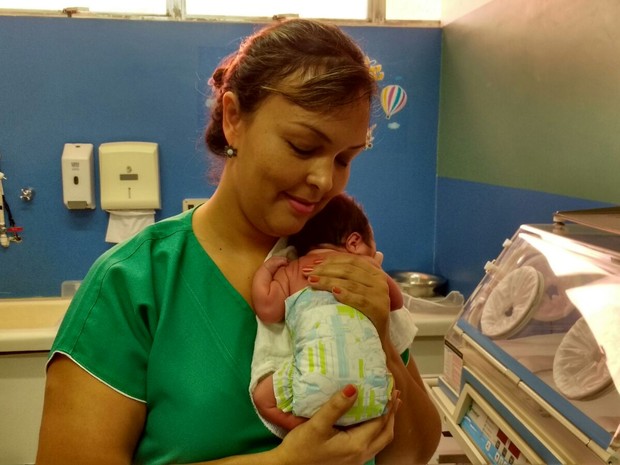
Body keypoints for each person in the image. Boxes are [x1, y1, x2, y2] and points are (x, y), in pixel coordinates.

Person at [36, 18, 441, 465]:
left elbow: (412, 454)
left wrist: (383, 340)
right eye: (303, 147)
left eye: (345, 158)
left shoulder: (339, 262)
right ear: (234, 118)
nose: (325, 180)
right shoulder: (135, 283)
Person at [251, 193, 406, 433]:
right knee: (388, 393)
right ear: (354, 243)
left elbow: (267, 310)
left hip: (313, 378)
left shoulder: (293, 270)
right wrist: (375, 268)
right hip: (369, 384)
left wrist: (265, 271)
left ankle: (306, 430)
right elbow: (396, 301)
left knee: (263, 399)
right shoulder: (365, 269)